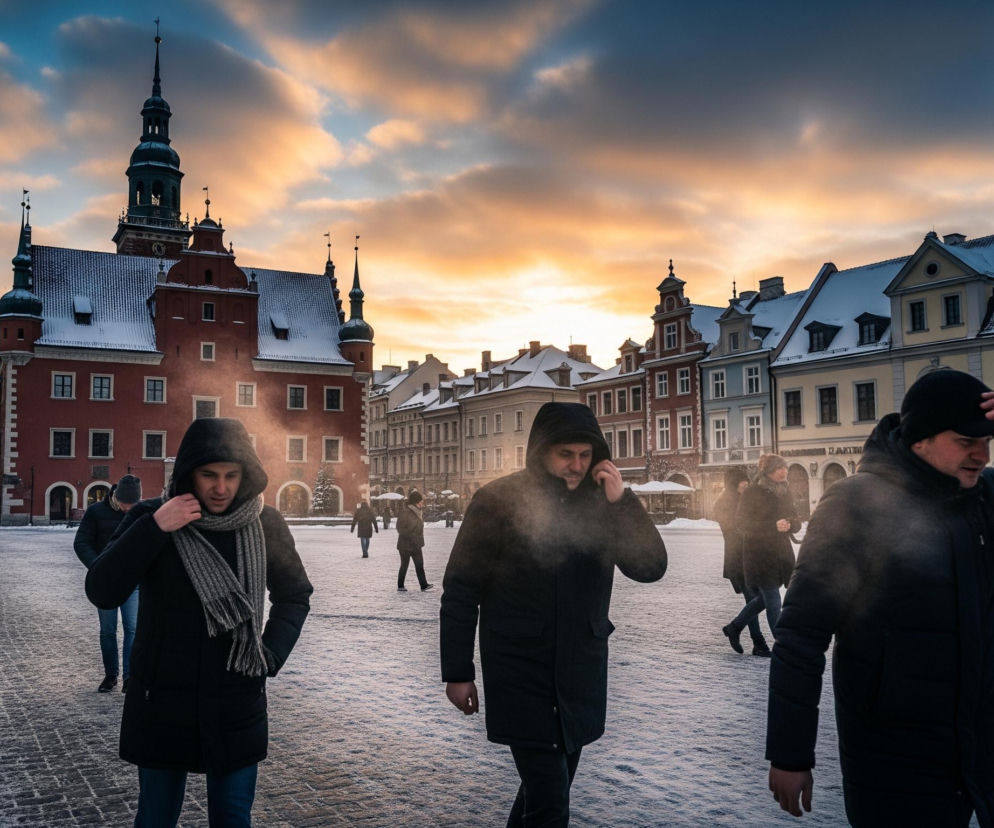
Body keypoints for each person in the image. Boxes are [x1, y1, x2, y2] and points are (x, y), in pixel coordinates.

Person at [766, 369, 994, 826]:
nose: (981, 453)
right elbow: (801, 637)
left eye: (987, 439)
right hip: (894, 755)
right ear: (921, 437)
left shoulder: (984, 498)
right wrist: (791, 755)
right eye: (966, 439)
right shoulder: (855, 504)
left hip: (982, 742)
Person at [440, 401, 668, 826]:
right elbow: (460, 589)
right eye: (566, 454)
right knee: (549, 802)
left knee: (544, 794)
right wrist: (457, 671)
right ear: (541, 450)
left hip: (579, 671)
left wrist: (623, 503)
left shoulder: (603, 503)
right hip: (520, 671)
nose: (576, 465)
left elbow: (650, 568)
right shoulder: (498, 501)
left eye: (584, 455)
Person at [85, 418, 313, 828]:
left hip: (236, 697)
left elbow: (294, 595)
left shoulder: (265, 524)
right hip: (161, 700)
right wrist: (155, 528)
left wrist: (270, 653)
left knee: (231, 818)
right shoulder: (153, 516)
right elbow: (102, 589)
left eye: (231, 475)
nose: (221, 487)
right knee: (155, 818)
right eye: (209, 475)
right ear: (189, 472)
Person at [721, 454, 798, 655]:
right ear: (768, 471)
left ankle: (735, 627)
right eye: (779, 468)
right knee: (773, 600)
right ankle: (784, 648)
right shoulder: (753, 492)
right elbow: (742, 523)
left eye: (785, 467)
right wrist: (773, 526)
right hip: (759, 556)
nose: (784, 471)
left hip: (781, 555)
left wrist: (792, 524)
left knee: (764, 600)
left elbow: (796, 518)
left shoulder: (785, 491)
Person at [74, 474, 143, 693]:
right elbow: (81, 543)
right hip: (105, 583)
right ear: (116, 496)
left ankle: (130, 677)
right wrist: (98, 567)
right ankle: (111, 675)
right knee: (108, 630)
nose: (128, 509)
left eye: (133, 505)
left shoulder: (139, 512)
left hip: (132, 581)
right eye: (126, 504)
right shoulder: (96, 512)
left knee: (133, 629)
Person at [714, 467, 770, 657]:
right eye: (742, 481)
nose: (746, 484)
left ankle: (736, 629)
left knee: (756, 599)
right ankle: (757, 642)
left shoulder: (744, 500)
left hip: (751, 556)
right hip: (738, 558)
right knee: (757, 598)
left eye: (747, 481)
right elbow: (733, 530)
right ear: (733, 483)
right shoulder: (724, 504)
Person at [396, 490, 432, 592]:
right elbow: (400, 528)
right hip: (405, 545)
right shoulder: (405, 512)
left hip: (416, 544)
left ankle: (423, 585)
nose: (422, 503)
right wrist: (410, 535)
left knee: (420, 564)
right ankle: (400, 585)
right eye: (421, 501)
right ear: (416, 502)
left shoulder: (419, 512)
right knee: (404, 565)